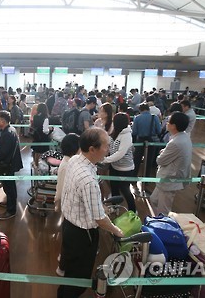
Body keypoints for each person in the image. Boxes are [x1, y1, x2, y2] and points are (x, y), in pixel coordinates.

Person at [58, 128, 123, 298]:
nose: (109, 149)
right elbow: (99, 219)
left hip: (68, 225)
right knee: (78, 278)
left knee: (70, 272)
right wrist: (116, 231)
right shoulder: (88, 180)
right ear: (92, 149)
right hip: (82, 235)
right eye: (106, 146)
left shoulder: (74, 160)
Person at [150, 112, 192, 215]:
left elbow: (160, 160)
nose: (167, 123)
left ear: (174, 126)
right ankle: (156, 222)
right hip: (168, 178)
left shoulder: (176, 142)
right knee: (153, 200)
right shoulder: (184, 137)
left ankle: (162, 227)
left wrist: (162, 154)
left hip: (169, 179)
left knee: (163, 210)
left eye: (169, 122)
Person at [54, 133, 80, 277]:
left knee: (68, 235)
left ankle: (62, 258)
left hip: (68, 205)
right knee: (68, 237)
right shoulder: (67, 165)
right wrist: (58, 204)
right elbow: (61, 188)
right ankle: (62, 266)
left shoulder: (70, 161)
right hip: (68, 205)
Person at [0, 111, 23, 220]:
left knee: (9, 187)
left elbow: (3, 152)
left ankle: (11, 210)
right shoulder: (10, 130)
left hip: (7, 165)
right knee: (9, 186)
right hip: (10, 163)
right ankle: (10, 202)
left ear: (2, 121)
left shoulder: (7, 134)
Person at [101, 113, 136, 212]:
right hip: (114, 167)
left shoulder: (127, 135)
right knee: (114, 189)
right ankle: (115, 208)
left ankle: (133, 211)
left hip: (126, 169)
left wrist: (104, 160)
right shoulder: (115, 131)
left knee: (126, 191)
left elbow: (120, 153)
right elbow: (109, 145)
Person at [31, 103, 50, 167]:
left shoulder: (35, 116)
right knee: (44, 153)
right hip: (43, 137)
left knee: (36, 151)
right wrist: (50, 130)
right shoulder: (45, 118)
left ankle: (36, 165)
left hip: (36, 136)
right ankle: (43, 166)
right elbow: (45, 130)